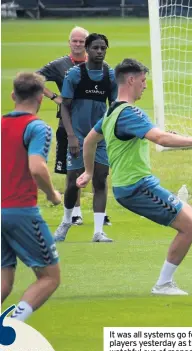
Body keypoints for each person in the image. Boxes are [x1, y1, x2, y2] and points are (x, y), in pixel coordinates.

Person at [76, 58, 192, 295]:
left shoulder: (111, 111)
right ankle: (163, 284)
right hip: (136, 187)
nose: (145, 85)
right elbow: (160, 138)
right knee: (189, 226)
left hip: (134, 186)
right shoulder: (129, 112)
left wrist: (88, 171)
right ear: (131, 80)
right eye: (142, 80)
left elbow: (89, 141)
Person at [1, 72, 62, 321]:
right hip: (21, 211)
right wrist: (52, 194)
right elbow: (37, 167)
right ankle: (13, 327)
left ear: (13, 95)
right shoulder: (38, 128)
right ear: (41, 98)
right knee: (49, 277)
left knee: (4, 279)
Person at [38, 26, 112, 227]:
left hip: (96, 130)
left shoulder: (106, 71)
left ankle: (99, 219)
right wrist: (55, 97)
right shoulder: (62, 66)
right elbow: (34, 78)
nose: (78, 44)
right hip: (69, 124)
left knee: (100, 174)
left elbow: (113, 103)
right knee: (73, 173)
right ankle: (74, 214)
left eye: (82, 41)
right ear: (70, 42)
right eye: (75, 41)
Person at [54, 33, 118, 243]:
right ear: (87, 50)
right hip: (78, 136)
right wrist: (71, 135)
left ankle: (98, 231)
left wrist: (112, 134)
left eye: (103, 48)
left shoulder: (110, 76)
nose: (99, 51)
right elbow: (65, 105)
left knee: (100, 179)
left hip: (100, 137)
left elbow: (115, 108)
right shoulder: (75, 75)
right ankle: (66, 221)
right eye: (96, 48)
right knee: (73, 181)